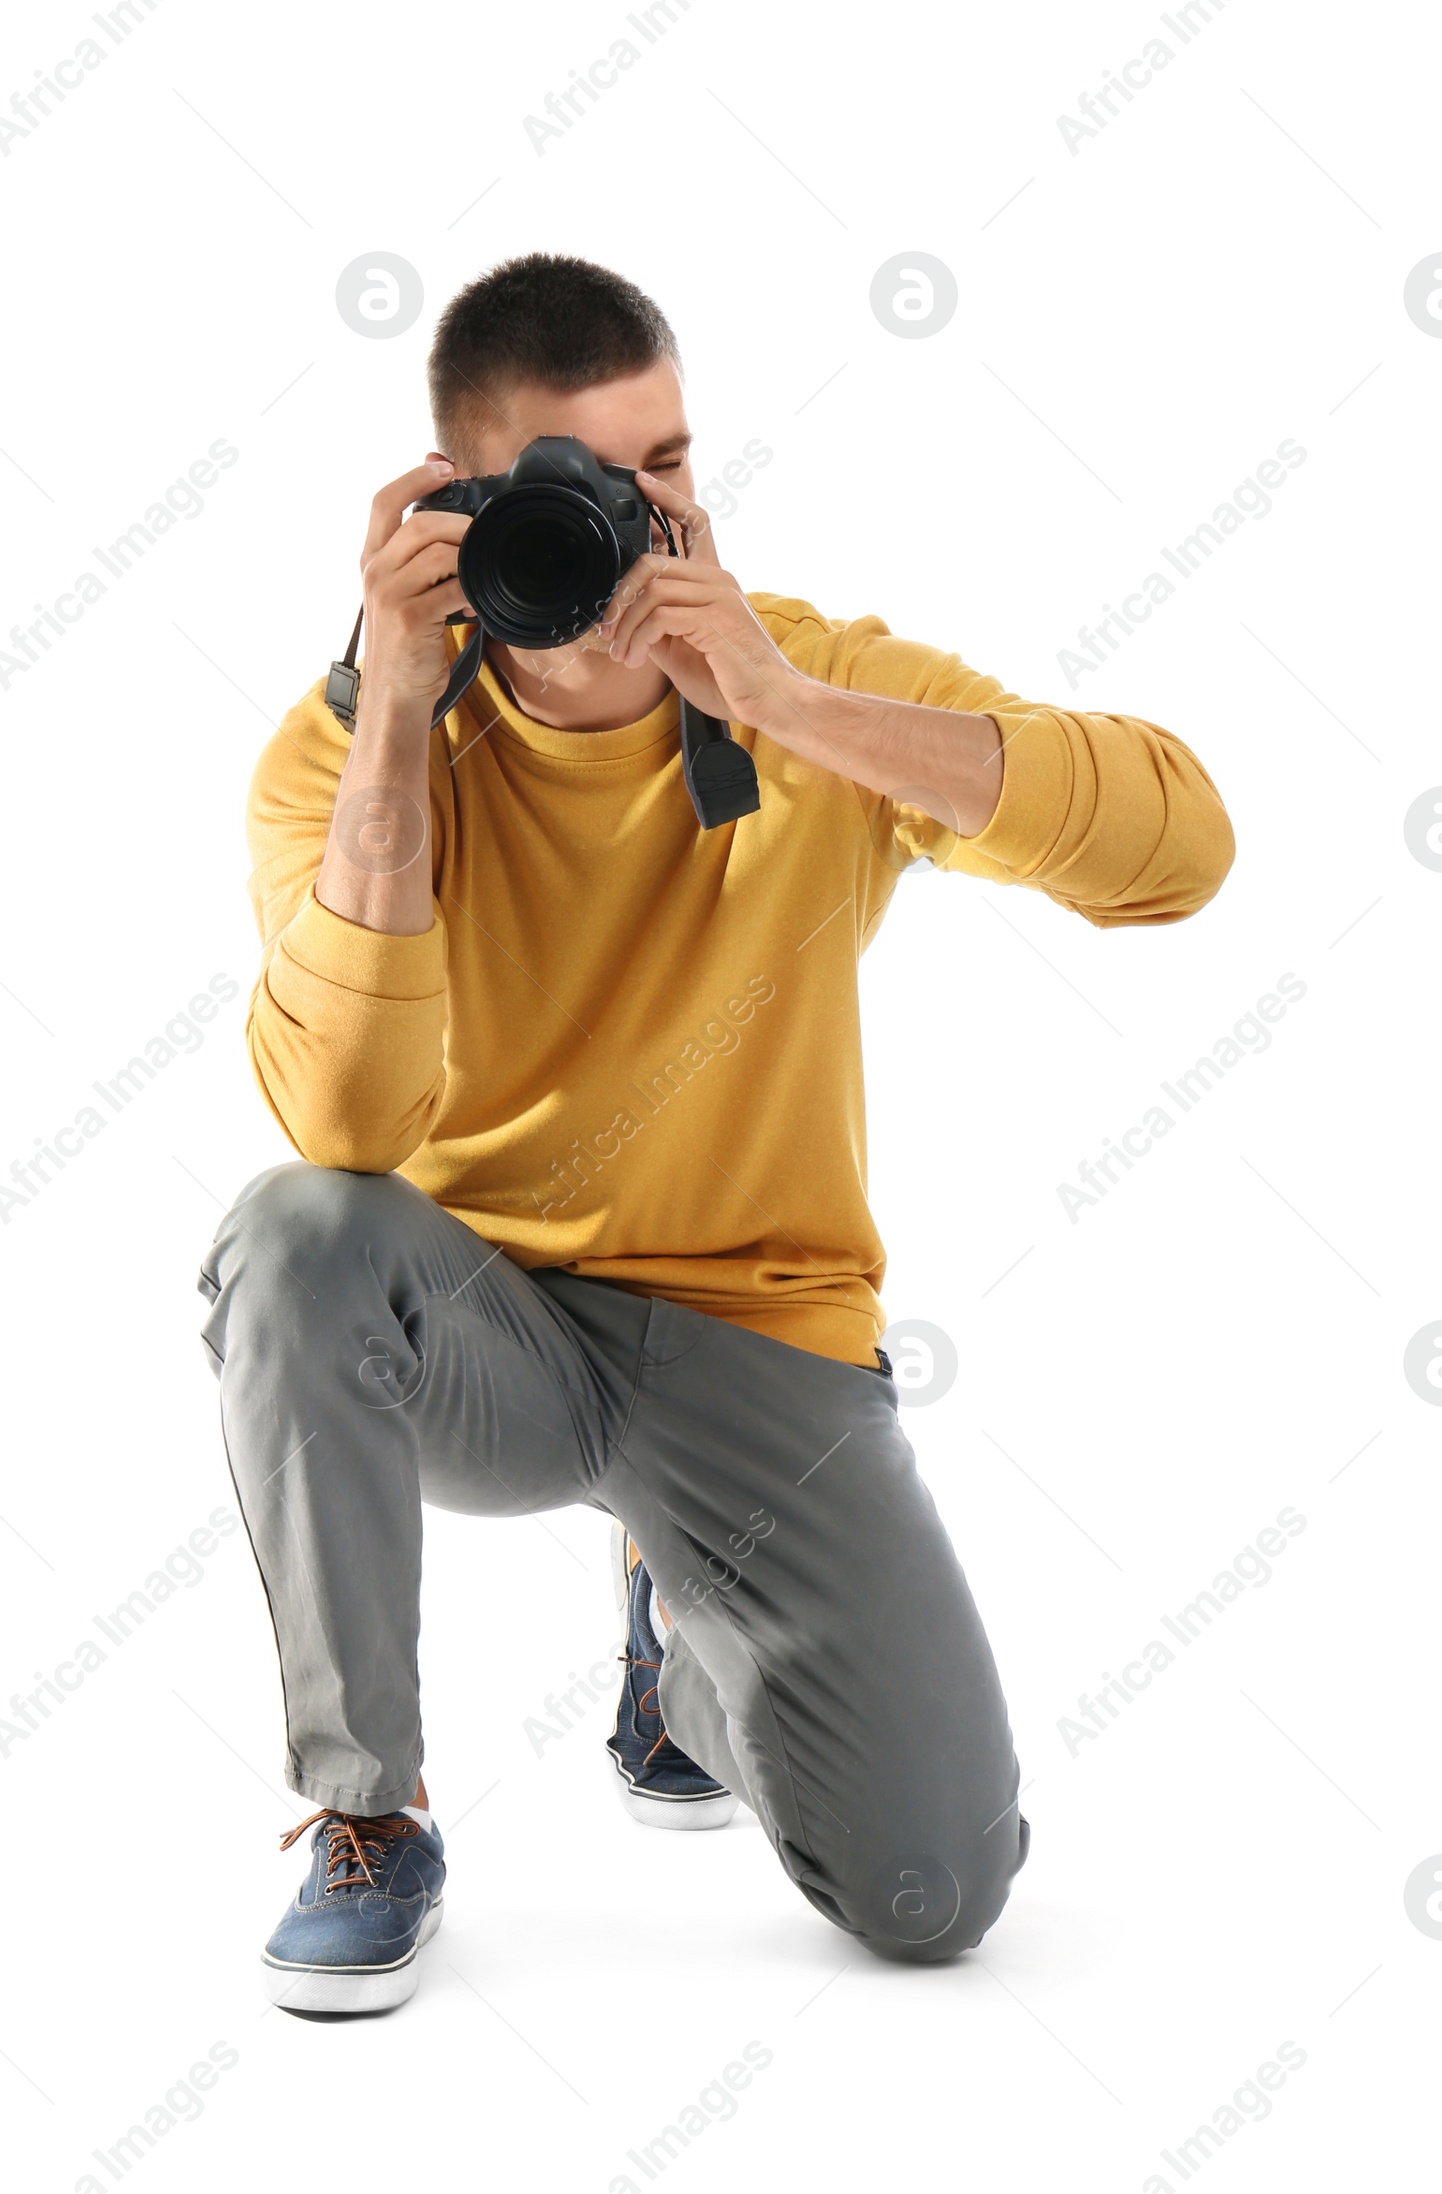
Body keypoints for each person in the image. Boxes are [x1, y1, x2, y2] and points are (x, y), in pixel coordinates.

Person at [197, 251, 1234, 2017]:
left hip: (759, 1341)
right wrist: (392, 703)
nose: (639, 521)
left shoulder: (804, 679)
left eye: (665, 467)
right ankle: (366, 1809)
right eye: (576, 487)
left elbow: (1179, 849)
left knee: (931, 1893)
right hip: (487, 1335)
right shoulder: (347, 751)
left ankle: (682, 1655)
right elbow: (346, 1125)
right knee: (292, 1228)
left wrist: (788, 707)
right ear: (457, 509)